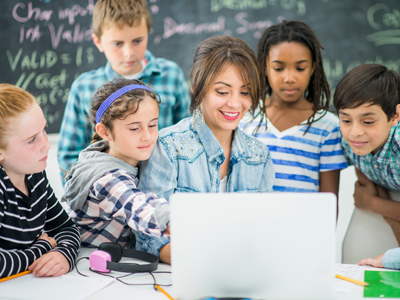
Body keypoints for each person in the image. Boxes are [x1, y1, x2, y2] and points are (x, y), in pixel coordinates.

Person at [137, 35, 275, 264]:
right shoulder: (168, 146)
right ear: (197, 90)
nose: (234, 103)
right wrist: (203, 259)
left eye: (245, 92)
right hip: (182, 276)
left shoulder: (259, 156)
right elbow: (148, 236)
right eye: (222, 92)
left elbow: (264, 230)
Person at [57, 0, 190, 183]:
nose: (129, 52)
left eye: (137, 41)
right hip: (107, 195)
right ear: (98, 41)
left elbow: (185, 138)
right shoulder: (83, 87)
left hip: (163, 189)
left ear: (148, 34)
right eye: (117, 44)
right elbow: (69, 156)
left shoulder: (171, 75)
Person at [240, 20, 347, 199]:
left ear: (313, 67)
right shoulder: (246, 117)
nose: (289, 78)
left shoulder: (328, 127)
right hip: (253, 225)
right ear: (264, 67)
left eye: (300, 68)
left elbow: (328, 202)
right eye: (278, 68)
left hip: (305, 226)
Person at [62, 78, 170, 249]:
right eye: (134, 128)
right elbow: (138, 207)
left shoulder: (114, 154)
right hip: (85, 265)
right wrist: (179, 219)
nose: (147, 136)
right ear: (104, 131)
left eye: (152, 125)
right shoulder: (107, 179)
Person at [0, 84, 80, 279]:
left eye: (44, 130)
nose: (46, 145)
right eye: (32, 140)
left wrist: (63, 253)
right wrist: (43, 247)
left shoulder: (34, 174)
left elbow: (65, 227)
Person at [333, 63, 400, 244]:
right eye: (346, 120)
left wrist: (372, 203)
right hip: (385, 195)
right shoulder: (341, 137)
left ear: (395, 116)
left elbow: (365, 198)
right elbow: (363, 178)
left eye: (368, 121)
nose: (355, 132)